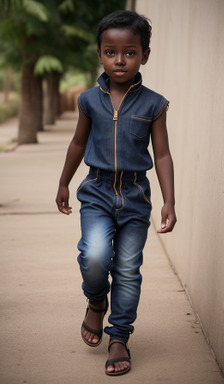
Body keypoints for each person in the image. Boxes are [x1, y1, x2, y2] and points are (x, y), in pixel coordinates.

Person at [56, 10, 177, 376]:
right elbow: (78, 143)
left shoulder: (154, 103)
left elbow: (163, 154)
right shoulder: (88, 100)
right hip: (97, 191)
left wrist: (169, 199)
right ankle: (96, 301)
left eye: (130, 52)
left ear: (145, 55)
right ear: (99, 54)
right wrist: (63, 181)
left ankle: (119, 336)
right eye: (111, 52)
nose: (119, 60)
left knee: (127, 269)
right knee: (93, 256)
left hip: (136, 197)